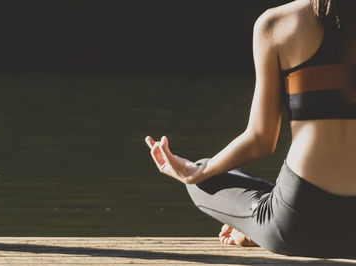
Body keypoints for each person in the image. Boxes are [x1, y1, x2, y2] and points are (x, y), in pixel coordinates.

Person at [145, 0, 356, 259]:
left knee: (204, 178)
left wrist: (194, 173)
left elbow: (260, 140)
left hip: (298, 224)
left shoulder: (276, 25)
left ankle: (253, 225)